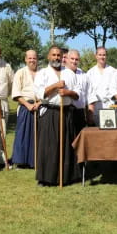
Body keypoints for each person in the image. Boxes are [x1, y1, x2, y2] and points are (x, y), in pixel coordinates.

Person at [34, 46, 80, 186]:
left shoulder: (70, 74)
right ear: (48, 56)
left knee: (66, 145)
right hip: (50, 112)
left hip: (66, 111)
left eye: (59, 55)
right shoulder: (42, 73)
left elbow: (77, 95)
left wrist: (67, 93)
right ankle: (46, 177)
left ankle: (67, 176)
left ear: (62, 57)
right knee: (49, 146)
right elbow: (40, 93)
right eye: (53, 55)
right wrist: (55, 86)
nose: (56, 58)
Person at [11, 50, 40, 168]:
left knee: (37, 134)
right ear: (25, 59)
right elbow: (16, 92)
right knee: (23, 134)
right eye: (30, 58)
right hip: (25, 106)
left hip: (39, 106)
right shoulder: (20, 72)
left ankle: (35, 159)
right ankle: (21, 161)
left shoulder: (42, 73)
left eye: (34, 58)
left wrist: (39, 103)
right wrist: (27, 105)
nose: (32, 60)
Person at [86, 47, 116, 125]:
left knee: (108, 133)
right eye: (100, 55)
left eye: (104, 55)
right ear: (96, 56)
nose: (102, 57)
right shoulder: (90, 73)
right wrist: (90, 113)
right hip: (95, 107)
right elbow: (88, 93)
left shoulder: (113, 71)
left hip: (109, 106)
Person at [66, 49, 89, 134]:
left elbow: (88, 94)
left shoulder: (83, 75)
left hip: (80, 112)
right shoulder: (62, 73)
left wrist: (88, 113)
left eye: (76, 59)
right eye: (72, 59)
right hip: (67, 112)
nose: (74, 61)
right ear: (67, 59)